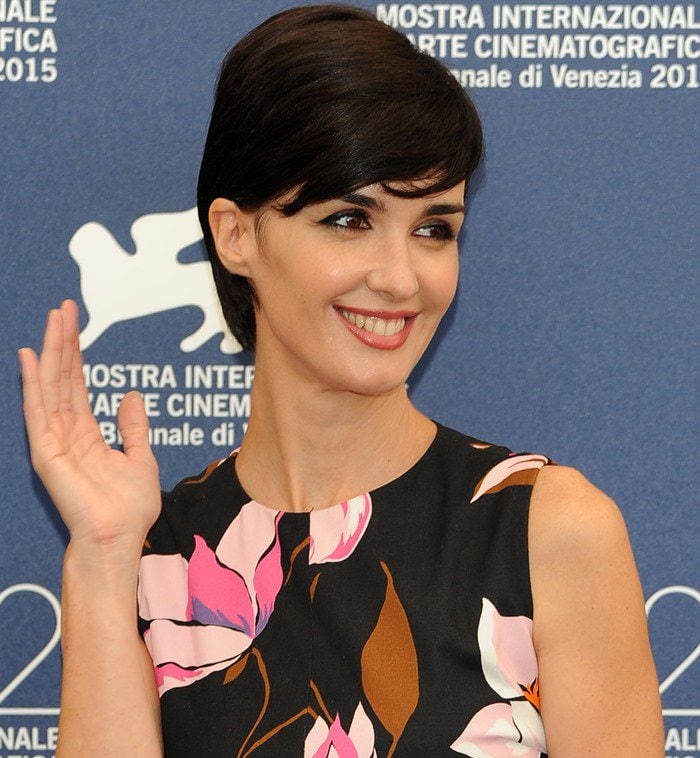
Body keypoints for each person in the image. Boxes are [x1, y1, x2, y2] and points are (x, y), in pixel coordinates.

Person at [19, 5, 663, 757]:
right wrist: (100, 556)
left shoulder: (542, 531)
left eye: (434, 228)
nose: (399, 278)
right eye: (350, 220)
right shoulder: (153, 559)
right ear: (234, 234)